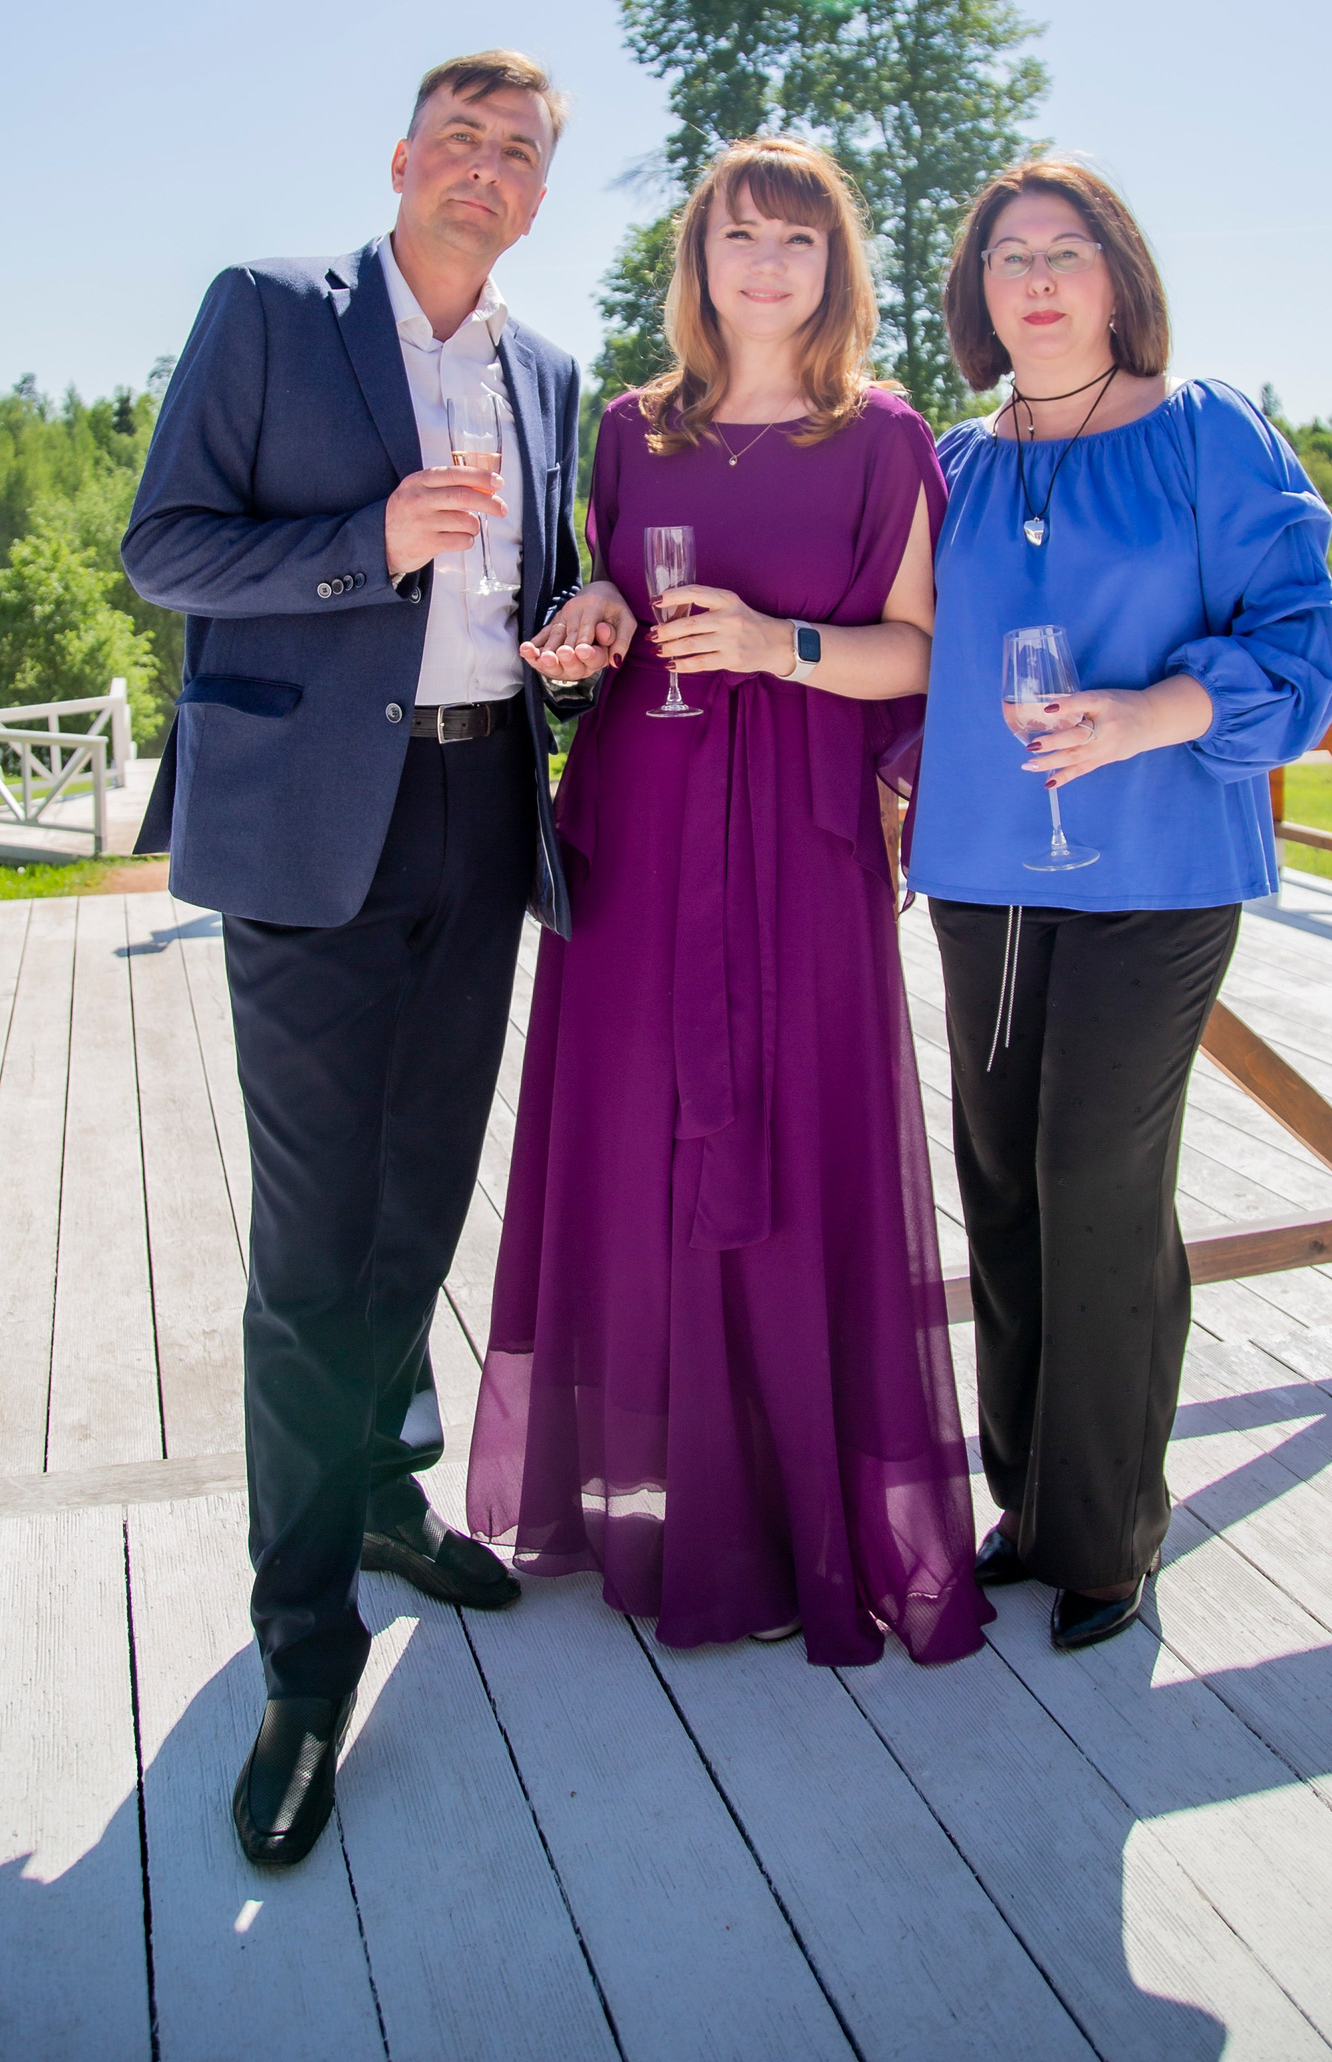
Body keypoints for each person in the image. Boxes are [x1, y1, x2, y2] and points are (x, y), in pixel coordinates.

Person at [123, 50, 588, 1867]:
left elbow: (533, 592)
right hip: (316, 828)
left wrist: (578, 626)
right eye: (459, 140)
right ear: (401, 161)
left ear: (538, 194)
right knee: (315, 1247)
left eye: (518, 152)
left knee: (421, 1204)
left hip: (480, 812)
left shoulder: (545, 375)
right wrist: (364, 544)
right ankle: (305, 1655)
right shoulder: (267, 313)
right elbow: (167, 550)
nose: (485, 169)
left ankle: (384, 1492)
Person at [469, 139, 990, 1669]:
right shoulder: (632, 431)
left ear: (837, 267)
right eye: (739, 236)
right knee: (637, 1144)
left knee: (799, 1137)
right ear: (696, 261)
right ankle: (655, 1505)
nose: (767, 264)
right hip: (641, 820)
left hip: (804, 838)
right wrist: (595, 610)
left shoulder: (882, 437)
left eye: (798, 240)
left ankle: (791, 1508)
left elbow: (925, 654)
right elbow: (611, 602)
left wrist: (781, 648)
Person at [909, 158, 1332, 1653]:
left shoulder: (1205, 431)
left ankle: (1107, 1536)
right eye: (1008, 255)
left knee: (1096, 1177)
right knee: (1003, 1182)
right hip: (986, 876)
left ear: (1119, 278)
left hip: (1159, 875)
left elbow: (1307, 641)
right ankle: (1027, 1505)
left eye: (1068, 250)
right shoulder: (953, 467)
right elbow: (900, 651)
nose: (1036, 279)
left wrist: (1150, 714)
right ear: (977, 292)